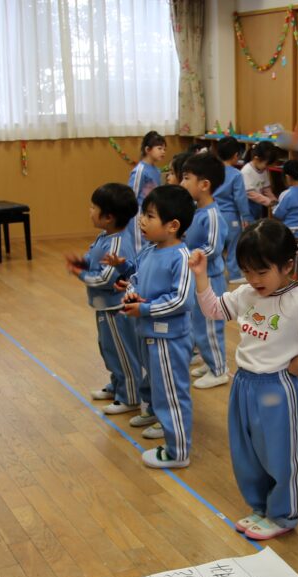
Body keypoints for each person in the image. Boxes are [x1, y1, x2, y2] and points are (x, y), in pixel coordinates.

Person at [190, 219, 298, 540]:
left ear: (287, 266)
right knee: (247, 453)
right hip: (244, 384)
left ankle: (283, 515)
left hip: (278, 388)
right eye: (247, 271)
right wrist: (200, 277)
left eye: (261, 271)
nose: (254, 279)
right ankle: (261, 507)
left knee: (281, 455)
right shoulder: (247, 293)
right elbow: (214, 309)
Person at [116, 185, 195, 469]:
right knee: (158, 389)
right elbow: (136, 280)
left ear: (173, 226)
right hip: (149, 333)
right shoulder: (150, 250)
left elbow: (181, 300)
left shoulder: (182, 257)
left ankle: (178, 451)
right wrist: (131, 295)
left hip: (169, 339)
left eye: (150, 216)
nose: (142, 221)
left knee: (172, 394)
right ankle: (163, 426)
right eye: (143, 214)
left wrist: (146, 308)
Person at [65, 183, 142, 415]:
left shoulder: (118, 243)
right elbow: (92, 258)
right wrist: (82, 262)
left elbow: (106, 279)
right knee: (109, 348)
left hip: (116, 309)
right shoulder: (104, 236)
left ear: (108, 217)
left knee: (123, 352)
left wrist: (80, 274)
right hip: (105, 308)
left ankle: (130, 397)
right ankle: (117, 385)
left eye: (93, 207)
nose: (89, 211)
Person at [180, 153, 229, 389]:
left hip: (211, 280)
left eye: (186, 178)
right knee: (197, 324)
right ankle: (210, 363)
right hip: (197, 276)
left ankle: (219, 370)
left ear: (204, 184)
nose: (182, 183)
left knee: (210, 326)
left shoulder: (212, 214)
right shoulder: (195, 210)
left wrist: (190, 255)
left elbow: (213, 247)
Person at [214, 136, 255, 283]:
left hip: (213, 214)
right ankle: (234, 275)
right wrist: (246, 216)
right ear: (236, 155)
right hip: (230, 216)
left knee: (216, 246)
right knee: (233, 245)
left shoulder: (212, 172)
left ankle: (217, 273)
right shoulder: (236, 174)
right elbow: (240, 198)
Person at [126, 131, 167, 252]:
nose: (163, 152)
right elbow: (131, 195)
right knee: (139, 245)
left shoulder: (156, 170)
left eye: (164, 149)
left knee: (149, 242)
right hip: (138, 214)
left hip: (150, 212)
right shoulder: (140, 170)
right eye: (159, 148)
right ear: (148, 150)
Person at [272, 160, 298, 238]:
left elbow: (277, 214)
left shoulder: (286, 194)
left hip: (288, 233)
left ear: (287, 177)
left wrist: (273, 206)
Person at [241, 140, 278, 219]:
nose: (267, 167)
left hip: (258, 203)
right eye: (266, 164)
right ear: (256, 159)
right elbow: (250, 193)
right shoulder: (246, 171)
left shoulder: (263, 169)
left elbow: (266, 188)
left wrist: (274, 200)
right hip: (247, 205)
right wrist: (268, 201)